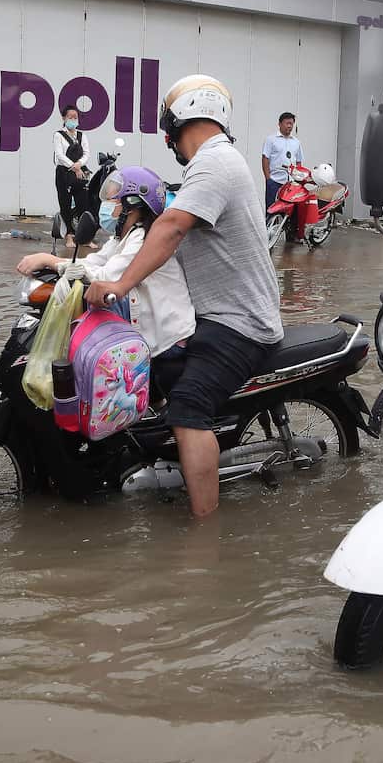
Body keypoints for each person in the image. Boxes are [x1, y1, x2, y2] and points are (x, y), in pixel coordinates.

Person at [87, 75, 283, 518]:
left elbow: (171, 226)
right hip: (212, 316)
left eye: (167, 130)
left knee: (188, 408)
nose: (168, 140)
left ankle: (203, 534)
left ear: (179, 121)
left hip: (241, 323)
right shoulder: (209, 167)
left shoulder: (217, 164)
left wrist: (119, 286)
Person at [16, 166, 194, 371]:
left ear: (132, 205)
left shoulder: (144, 238)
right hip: (147, 325)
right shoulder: (121, 238)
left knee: (94, 307)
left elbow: (104, 277)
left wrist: (49, 260)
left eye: (113, 201)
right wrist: (55, 263)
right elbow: (94, 262)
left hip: (166, 340)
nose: (107, 207)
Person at [53, 105, 97, 251]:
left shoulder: (82, 136)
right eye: (70, 117)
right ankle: (69, 236)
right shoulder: (58, 135)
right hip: (64, 173)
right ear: (64, 118)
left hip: (80, 172)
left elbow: (86, 153)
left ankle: (85, 237)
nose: (73, 120)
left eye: (75, 117)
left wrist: (79, 164)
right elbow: (59, 155)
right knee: (65, 204)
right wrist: (74, 166)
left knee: (83, 204)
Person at [262, 111, 304, 242]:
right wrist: (268, 178)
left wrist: (298, 178)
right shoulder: (271, 140)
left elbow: (299, 161)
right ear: (279, 124)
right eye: (287, 123)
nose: (289, 126)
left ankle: (291, 236)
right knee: (272, 208)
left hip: (291, 183)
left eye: (291, 123)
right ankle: (267, 237)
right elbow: (265, 158)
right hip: (275, 181)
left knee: (293, 210)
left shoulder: (296, 142)